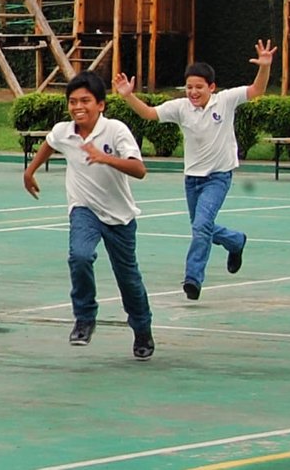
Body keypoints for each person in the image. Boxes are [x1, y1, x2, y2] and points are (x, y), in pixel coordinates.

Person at [114, 40, 275, 298]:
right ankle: (236, 241)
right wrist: (128, 95)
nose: (193, 92)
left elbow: (257, 89)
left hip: (218, 178)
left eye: (199, 87)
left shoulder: (225, 101)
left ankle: (193, 279)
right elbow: (149, 114)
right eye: (189, 87)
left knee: (201, 227)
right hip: (192, 179)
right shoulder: (180, 108)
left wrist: (264, 67)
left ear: (211, 87)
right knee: (202, 227)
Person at [22, 70, 154, 359]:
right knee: (79, 256)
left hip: (120, 217)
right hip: (84, 209)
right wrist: (30, 171)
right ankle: (84, 318)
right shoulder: (64, 131)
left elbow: (139, 170)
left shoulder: (116, 130)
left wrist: (105, 157)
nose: (78, 107)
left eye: (85, 101)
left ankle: (142, 329)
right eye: (72, 101)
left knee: (128, 279)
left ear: (101, 105)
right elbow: (50, 142)